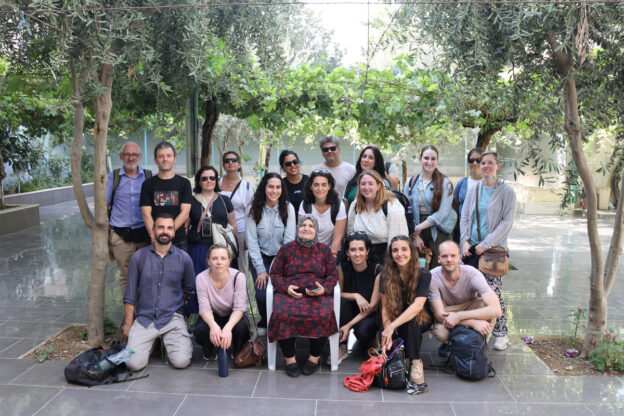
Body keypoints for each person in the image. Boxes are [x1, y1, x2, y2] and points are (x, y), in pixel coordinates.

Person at [122, 214, 195, 371]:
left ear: (174, 232)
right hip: (145, 319)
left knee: (181, 362)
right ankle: (151, 342)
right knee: (133, 364)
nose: (164, 231)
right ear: (153, 230)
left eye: (169, 228)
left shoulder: (184, 259)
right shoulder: (138, 257)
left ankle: (168, 340)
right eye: (160, 227)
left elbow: (188, 291)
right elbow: (130, 295)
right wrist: (128, 324)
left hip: (172, 318)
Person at [268, 214, 338, 377]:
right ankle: (289, 359)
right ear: (297, 228)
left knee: (323, 314)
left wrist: (324, 289)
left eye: (311, 226)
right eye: (303, 225)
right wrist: (285, 288)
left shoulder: (324, 251)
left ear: (316, 231)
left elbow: (332, 275)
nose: (306, 228)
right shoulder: (286, 249)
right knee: (281, 313)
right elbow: (275, 274)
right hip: (290, 293)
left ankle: (314, 357)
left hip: (316, 294)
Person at [460, 150, 516, 350]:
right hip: (471, 249)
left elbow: (506, 223)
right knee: (470, 292)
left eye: (490, 162)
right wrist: (464, 241)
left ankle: (501, 334)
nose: (485, 166)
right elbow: (465, 216)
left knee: (493, 292)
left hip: (492, 251)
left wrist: (487, 243)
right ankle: (474, 330)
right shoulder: (474, 188)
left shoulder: (506, 191)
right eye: (483, 163)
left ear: (497, 165)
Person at [380, 235, 432, 395]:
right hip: (393, 317)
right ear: (391, 254)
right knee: (387, 346)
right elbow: (385, 308)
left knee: (411, 323)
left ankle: (415, 361)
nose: (399, 254)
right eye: (395, 250)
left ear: (411, 252)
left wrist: (392, 326)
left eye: (404, 249)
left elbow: (418, 306)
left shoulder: (423, 274)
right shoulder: (385, 275)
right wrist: (388, 330)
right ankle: (402, 358)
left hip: (419, 317)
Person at [428, 241, 501, 354]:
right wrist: (472, 322)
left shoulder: (472, 273)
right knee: (440, 332)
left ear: (459, 258)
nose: (449, 259)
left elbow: (496, 310)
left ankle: (480, 347)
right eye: (444, 256)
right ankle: (451, 344)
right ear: (439, 259)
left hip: (469, 306)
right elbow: (439, 315)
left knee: (488, 307)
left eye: (453, 256)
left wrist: (459, 316)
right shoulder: (432, 276)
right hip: (447, 311)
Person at [246, 173, 296, 335]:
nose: (274, 191)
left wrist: (279, 268)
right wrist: (260, 269)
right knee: (261, 295)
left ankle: (279, 322)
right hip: (260, 257)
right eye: (270, 187)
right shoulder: (253, 208)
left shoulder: (288, 208)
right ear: (264, 188)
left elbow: (289, 240)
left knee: (280, 293)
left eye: (278, 187)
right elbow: (252, 241)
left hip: (282, 258)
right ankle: (264, 322)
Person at [186, 166, 237, 313]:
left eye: (212, 178)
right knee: (199, 282)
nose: (208, 181)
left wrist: (233, 247)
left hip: (221, 248)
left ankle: (223, 313)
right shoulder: (191, 201)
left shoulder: (224, 200)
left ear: (216, 180)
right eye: (204, 178)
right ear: (199, 181)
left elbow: (233, 224)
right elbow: (186, 226)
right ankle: (198, 315)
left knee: (222, 282)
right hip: (199, 248)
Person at [106, 141, 151, 296]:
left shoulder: (149, 176)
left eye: (134, 155)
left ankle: (144, 308)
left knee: (146, 274)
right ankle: (129, 309)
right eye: (127, 155)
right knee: (126, 275)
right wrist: (108, 232)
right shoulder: (112, 178)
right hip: (121, 236)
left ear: (139, 156)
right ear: (121, 156)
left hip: (144, 235)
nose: (130, 158)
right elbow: (104, 206)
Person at [193, 244, 250, 361]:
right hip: (212, 314)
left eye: (223, 258)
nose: (219, 262)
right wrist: (213, 325)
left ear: (229, 261)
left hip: (232, 314)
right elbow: (204, 308)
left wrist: (228, 327)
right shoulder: (201, 278)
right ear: (208, 261)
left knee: (242, 327)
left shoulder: (238, 277)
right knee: (201, 329)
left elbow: (239, 308)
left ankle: (237, 351)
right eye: (214, 258)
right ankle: (209, 352)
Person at [404, 145, 454, 269]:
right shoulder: (411, 183)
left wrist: (419, 227)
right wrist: (415, 235)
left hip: (439, 230)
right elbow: (406, 210)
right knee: (418, 268)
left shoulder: (445, 183)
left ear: (437, 161)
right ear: (420, 159)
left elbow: (443, 213)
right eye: (426, 158)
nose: (429, 162)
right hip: (416, 229)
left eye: (433, 159)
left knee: (440, 268)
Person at [336, 232, 381, 363]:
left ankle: (371, 338)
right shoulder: (342, 267)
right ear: (347, 252)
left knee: (363, 333)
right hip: (349, 310)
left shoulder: (377, 269)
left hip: (369, 313)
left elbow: (373, 306)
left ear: (367, 251)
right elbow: (338, 293)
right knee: (341, 302)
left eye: (361, 249)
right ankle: (342, 346)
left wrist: (349, 325)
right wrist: (356, 296)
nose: (357, 254)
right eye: (353, 250)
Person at [346, 170, 409, 265]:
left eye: (370, 184)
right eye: (363, 184)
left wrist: (391, 264)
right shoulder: (355, 205)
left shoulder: (391, 205)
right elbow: (350, 235)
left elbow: (398, 239)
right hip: (361, 260)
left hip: (385, 259)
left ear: (379, 186)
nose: (366, 187)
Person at [140, 141, 192, 251]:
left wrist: (169, 232)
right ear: (155, 160)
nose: (165, 159)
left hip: (178, 240)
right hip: (154, 239)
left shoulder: (184, 183)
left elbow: (185, 213)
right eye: (161, 156)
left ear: (174, 159)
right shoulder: (147, 184)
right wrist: (155, 236)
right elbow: (146, 214)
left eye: (168, 156)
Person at [219, 151, 254, 276]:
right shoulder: (216, 183)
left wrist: (248, 237)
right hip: (219, 230)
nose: (230, 163)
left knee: (240, 265)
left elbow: (251, 213)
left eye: (234, 160)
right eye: (227, 160)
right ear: (223, 165)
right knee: (220, 263)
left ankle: (241, 288)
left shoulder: (246, 186)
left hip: (239, 231)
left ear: (239, 164)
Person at [298, 169, 347, 258]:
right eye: (316, 185)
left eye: (324, 185)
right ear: (311, 186)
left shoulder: (338, 205)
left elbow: (337, 238)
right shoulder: (305, 204)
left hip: (331, 253)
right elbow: (302, 235)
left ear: (329, 186)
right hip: (308, 252)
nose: (320, 189)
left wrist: (330, 258)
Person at [453, 148, 483, 244]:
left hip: (482, 231)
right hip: (462, 230)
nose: (475, 163)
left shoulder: (488, 184)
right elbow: (455, 203)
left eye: (478, 160)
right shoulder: (462, 183)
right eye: (471, 160)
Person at [280, 150, 308, 217]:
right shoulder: (280, 185)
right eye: (288, 164)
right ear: (283, 168)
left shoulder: (309, 181)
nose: (292, 165)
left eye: (295, 162)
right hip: (287, 222)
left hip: (307, 222)